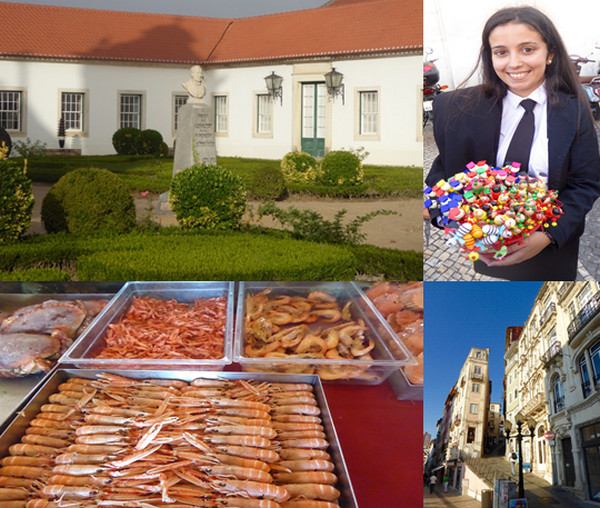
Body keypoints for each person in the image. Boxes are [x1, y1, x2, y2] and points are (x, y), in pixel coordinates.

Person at [425, 6, 600, 280]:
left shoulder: (575, 110)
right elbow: (443, 173)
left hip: (551, 249)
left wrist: (547, 236)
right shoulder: (458, 108)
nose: (514, 63)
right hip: (487, 245)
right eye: (501, 52)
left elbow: (586, 183)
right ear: (490, 56)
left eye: (528, 49)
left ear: (550, 53)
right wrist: (445, 215)